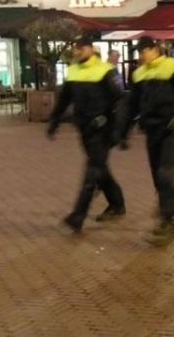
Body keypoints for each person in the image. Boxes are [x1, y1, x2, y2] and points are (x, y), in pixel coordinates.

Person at [120, 39, 174, 247]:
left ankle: (169, 219)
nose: (141, 55)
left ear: (154, 49)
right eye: (139, 52)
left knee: (164, 174)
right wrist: (123, 132)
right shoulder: (139, 74)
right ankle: (166, 213)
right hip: (152, 130)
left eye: (143, 51)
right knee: (158, 178)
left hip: (173, 129)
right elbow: (132, 106)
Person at [46, 32, 126, 233]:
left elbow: (120, 100)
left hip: (103, 130)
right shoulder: (73, 71)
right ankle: (117, 204)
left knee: (92, 172)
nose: (77, 51)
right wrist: (54, 121)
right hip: (84, 129)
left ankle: (77, 216)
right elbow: (64, 100)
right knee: (100, 169)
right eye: (76, 48)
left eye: (81, 48)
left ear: (91, 49)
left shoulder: (105, 71)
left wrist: (117, 127)